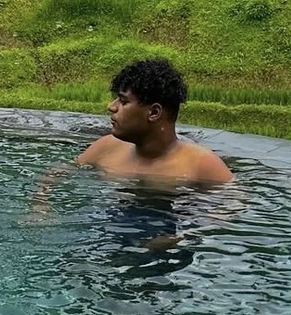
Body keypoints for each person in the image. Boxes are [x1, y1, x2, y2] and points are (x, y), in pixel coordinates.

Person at [29, 58, 232, 218]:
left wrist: (185, 233)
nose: (111, 106)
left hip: (163, 243)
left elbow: (234, 204)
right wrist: (40, 204)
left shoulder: (200, 163)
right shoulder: (107, 147)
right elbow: (60, 171)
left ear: (154, 113)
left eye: (123, 101)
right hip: (107, 227)